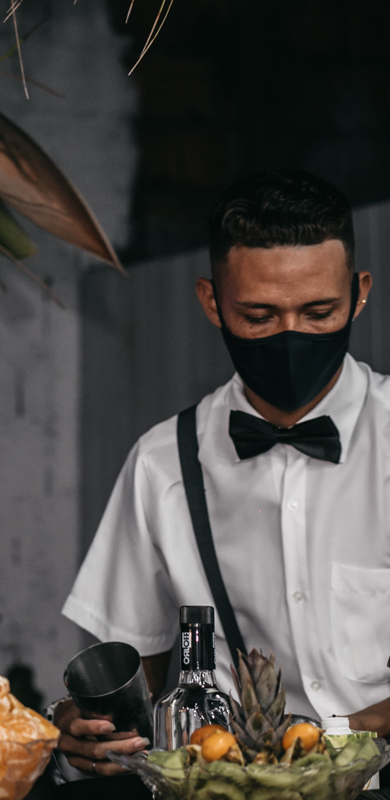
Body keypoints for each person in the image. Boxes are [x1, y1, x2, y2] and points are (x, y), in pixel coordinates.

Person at [55, 169, 390, 782]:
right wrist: (87, 727)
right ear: (212, 302)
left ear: (359, 292)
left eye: (319, 312)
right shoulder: (163, 463)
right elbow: (135, 688)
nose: (291, 337)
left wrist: (332, 738)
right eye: (259, 316)